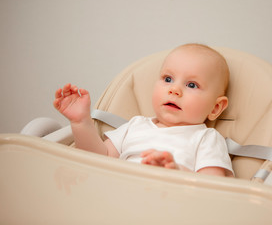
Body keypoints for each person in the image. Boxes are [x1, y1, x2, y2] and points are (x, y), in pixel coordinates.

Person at [54, 43, 234, 177]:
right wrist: (80, 122)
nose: (174, 89)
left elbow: (212, 190)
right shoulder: (135, 125)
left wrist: (177, 173)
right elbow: (97, 160)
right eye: (168, 79)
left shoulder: (206, 139)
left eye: (192, 84)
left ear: (216, 107)